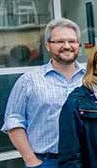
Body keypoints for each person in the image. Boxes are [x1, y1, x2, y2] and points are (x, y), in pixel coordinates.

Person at [2, 18, 86, 168]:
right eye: (60, 41)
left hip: (86, 160)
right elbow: (13, 121)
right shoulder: (29, 80)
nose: (67, 46)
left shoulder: (90, 78)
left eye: (72, 41)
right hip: (46, 162)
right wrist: (31, 160)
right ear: (48, 45)